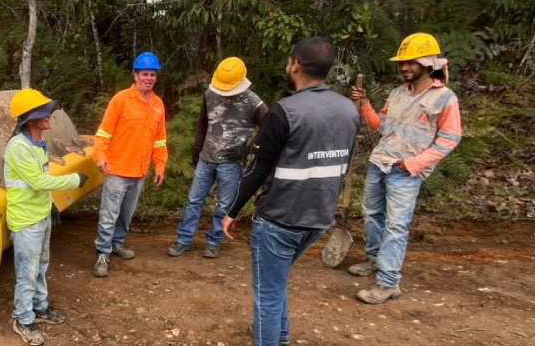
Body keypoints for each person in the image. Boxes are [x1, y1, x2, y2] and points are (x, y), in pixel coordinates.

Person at [221, 37, 359, 346]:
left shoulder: (284, 112)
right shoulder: (349, 109)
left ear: (295, 64)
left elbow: (256, 171)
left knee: (267, 295)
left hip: (279, 219)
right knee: (276, 280)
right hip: (319, 218)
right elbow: (343, 163)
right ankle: (280, 337)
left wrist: (231, 212)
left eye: (288, 61)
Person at [347, 32, 462, 305]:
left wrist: (414, 164)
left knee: (396, 226)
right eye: (402, 63)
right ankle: (375, 260)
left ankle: (388, 283)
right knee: (372, 215)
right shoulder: (398, 93)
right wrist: (365, 106)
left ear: (428, 63)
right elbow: (382, 127)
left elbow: (450, 139)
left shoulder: (445, 98)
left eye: (411, 62)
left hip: (406, 172)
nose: (405, 68)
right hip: (380, 163)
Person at [5, 89, 88, 345]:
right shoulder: (19, 147)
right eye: (45, 113)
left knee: (41, 267)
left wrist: (50, 205)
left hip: (40, 216)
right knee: (27, 272)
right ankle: (23, 318)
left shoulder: (37, 142)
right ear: (30, 119)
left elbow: (38, 183)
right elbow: (39, 180)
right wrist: (75, 179)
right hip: (26, 221)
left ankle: (40, 308)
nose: (50, 116)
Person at [167, 57, 267, 259]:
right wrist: (197, 150)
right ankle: (184, 240)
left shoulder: (254, 103)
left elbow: (270, 130)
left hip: (231, 163)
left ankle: (214, 241)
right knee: (194, 200)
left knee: (224, 205)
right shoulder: (210, 94)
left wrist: (247, 150)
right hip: (206, 158)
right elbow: (203, 124)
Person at [91, 51, 168, 277]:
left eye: (153, 74)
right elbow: (104, 133)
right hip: (117, 169)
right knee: (109, 214)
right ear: (135, 75)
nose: (149, 78)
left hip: (140, 171)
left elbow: (160, 138)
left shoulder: (158, 105)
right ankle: (102, 252)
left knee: (126, 213)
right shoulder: (121, 100)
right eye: (145, 74)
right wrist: (100, 156)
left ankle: (117, 244)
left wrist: (160, 165)